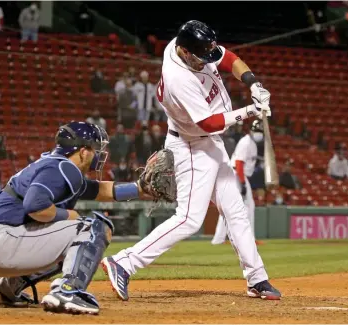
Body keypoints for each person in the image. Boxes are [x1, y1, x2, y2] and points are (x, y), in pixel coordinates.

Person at [101, 20, 281, 301]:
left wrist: (253, 83)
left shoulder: (192, 48)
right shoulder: (178, 78)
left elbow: (229, 58)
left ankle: (257, 278)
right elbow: (208, 123)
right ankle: (124, 263)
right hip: (192, 145)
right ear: (185, 52)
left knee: (235, 211)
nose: (206, 60)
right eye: (200, 56)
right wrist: (249, 111)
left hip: (209, 143)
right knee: (188, 219)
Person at [0, 122, 154, 315]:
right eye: (95, 149)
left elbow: (100, 190)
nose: (98, 155)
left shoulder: (58, 165)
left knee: (72, 249)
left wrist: (140, 188)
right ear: (83, 151)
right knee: (93, 227)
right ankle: (68, 291)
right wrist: (69, 215)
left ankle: (7, 289)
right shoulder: (61, 168)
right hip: (3, 242)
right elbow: (34, 205)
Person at [212, 120, 263, 246]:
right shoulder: (246, 142)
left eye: (260, 131)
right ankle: (247, 239)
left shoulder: (252, 143)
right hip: (236, 175)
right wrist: (242, 183)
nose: (258, 134)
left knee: (230, 207)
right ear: (250, 130)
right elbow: (239, 163)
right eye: (257, 131)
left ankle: (219, 239)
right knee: (248, 206)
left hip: (236, 175)